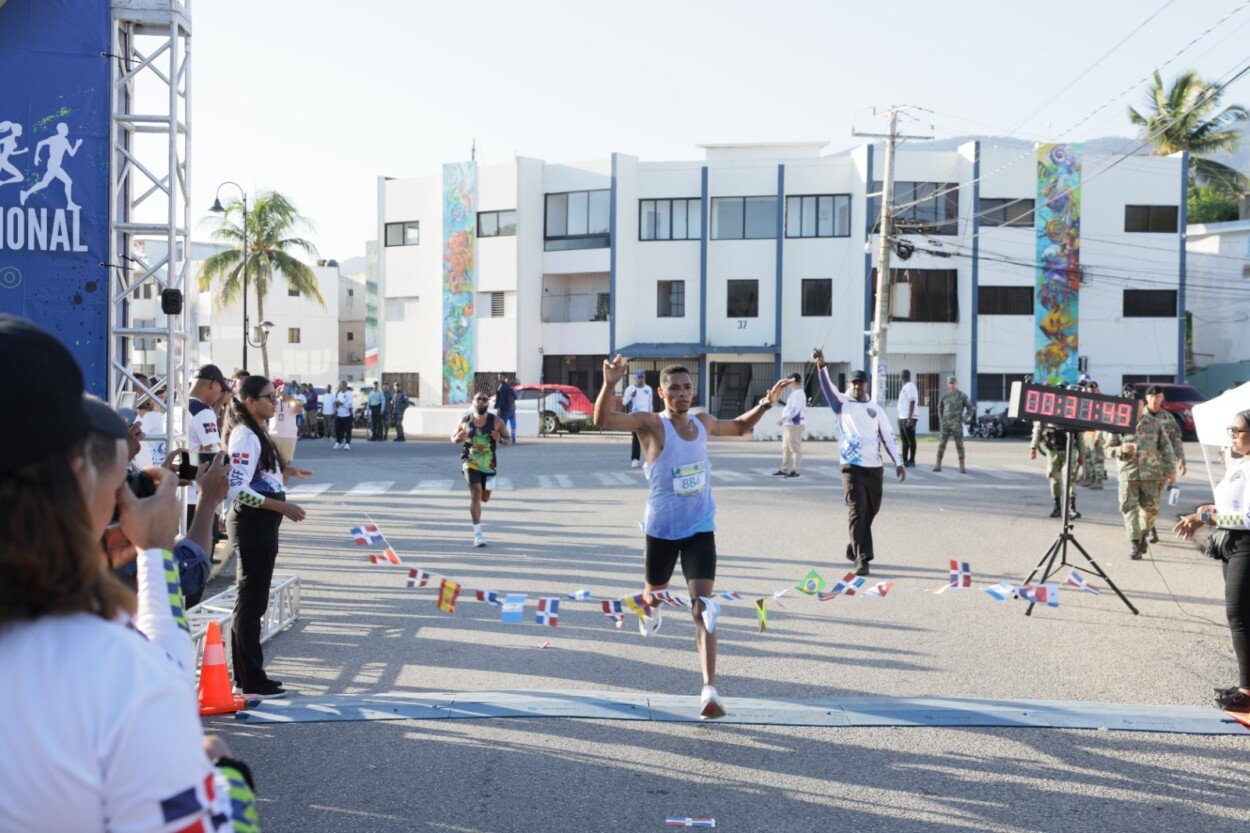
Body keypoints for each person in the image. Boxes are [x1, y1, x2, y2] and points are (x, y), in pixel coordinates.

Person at [0, 315, 257, 831]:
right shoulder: (113, 675)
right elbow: (153, 673)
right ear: (79, 478)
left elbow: (161, 662)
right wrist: (226, 775)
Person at [594, 355, 790, 720]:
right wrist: (609, 383)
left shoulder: (702, 421)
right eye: (674, 389)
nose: (682, 394)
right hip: (661, 531)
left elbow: (739, 428)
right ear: (661, 392)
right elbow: (602, 420)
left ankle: (709, 689)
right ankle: (651, 610)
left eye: (687, 388)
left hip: (700, 527)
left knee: (703, 607)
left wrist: (767, 402)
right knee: (654, 595)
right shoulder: (651, 424)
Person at [225, 375, 312, 698]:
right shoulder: (245, 434)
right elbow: (238, 488)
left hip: (263, 521)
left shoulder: (257, 431)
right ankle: (250, 680)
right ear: (249, 402)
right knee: (250, 602)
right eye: (268, 397)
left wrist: (287, 472)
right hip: (252, 521)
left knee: (255, 600)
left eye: (275, 397)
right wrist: (281, 506)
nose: (275, 403)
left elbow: (258, 475)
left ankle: (248, 676)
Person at [1173, 409, 1250, 712]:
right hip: (1232, 545)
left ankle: (1247, 691)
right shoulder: (1240, 463)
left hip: (1246, 545)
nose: (1231, 435)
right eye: (1230, 429)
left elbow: (1247, 515)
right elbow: (1228, 505)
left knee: (1239, 616)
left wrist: (1206, 516)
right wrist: (1202, 512)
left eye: (1238, 430)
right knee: (1242, 617)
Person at [813, 353, 905, 577]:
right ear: (849, 386)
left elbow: (888, 437)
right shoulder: (842, 404)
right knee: (856, 510)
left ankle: (853, 547)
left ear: (866, 385)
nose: (857, 387)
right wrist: (822, 365)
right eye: (854, 383)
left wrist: (899, 462)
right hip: (850, 467)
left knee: (870, 510)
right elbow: (828, 387)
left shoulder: (876, 410)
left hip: (874, 469)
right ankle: (862, 560)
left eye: (861, 383)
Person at [1105, 386, 1177, 560]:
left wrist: (1171, 470)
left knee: (1151, 512)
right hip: (1128, 475)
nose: (1134, 409)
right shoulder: (1118, 424)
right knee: (1129, 510)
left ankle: (1143, 534)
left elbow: (1167, 448)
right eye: (1131, 405)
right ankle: (1135, 544)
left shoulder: (1153, 424)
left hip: (1151, 475)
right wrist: (1120, 449)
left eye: (1137, 405)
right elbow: (1107, 449)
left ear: (1141, 405)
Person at [452, 391, 511, 547]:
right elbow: (453, 438)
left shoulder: (497, 421)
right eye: (479, 399)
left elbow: (509, 440)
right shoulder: (465, 420)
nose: (482, 402)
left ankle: (478, 526)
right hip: (470, 461)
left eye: (485, 400)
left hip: (489, 464)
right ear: (473, 402)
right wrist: (456, 439)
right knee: (476, 493)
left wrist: (499, 439)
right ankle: (478, 534)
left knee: (484, 497)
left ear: (488, 403)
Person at [186, 363, 230, 535]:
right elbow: (211, 456)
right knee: (201, 553)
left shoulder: (175, 407)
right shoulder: (202, 411)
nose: (220, 396)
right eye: (220, 391)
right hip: (196, 496)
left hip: (175, 491)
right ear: (214, 384)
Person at [1146, 386, 1188, 543]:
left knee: (1154, 499)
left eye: (1157, 396)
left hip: (1162, 467)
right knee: (1144, 499)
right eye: (1151, 396)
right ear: (1146, 398)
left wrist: (1181, 461)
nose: (1154, 399)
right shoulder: (1139, 415)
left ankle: (1150, 528)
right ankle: (1146, 528)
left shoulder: (1168, 418)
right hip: (1140, 467)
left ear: (1162, 398)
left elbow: (1176, 441)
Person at [1031, 421, 1083, 519]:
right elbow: (1038, 430)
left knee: (1069, 477)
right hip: (1052, 451)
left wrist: (1082, 453)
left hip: (1069, 450)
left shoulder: (1072, 410)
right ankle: (1057, 507)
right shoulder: (1046, 412)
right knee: (1054, 479)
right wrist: (1033, 447)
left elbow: (1079, 434)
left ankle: (1071, 507)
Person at [933, 375, 973, 473]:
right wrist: (941, 419)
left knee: (959, 445)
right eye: (950, 383)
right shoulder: (945, 396)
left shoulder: (963, 396)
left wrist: (963, 419)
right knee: (941, 444)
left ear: (957, 384)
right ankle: (938, 465)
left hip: (957, 425)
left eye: (953, 383)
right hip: (945, 425)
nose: (952, 385)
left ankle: (962, 466)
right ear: (948, 384)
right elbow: (940, 408)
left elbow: (970, 409)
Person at [773, 373, 806, 478]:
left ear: (793, 381)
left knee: (795, 448)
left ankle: (796, 471)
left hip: (794, 425)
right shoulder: (796, 393)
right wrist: (781, 403)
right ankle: (784, 469)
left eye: (788, 381)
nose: (787, 383)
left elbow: (794, 410)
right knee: (786, 448)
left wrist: (783, 419)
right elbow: (790, 407)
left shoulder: (798, 394)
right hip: (790, 424)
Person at [622, 369, 654, 468]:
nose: (640, 380)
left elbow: (650, 403)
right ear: (635, 378)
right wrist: (631, 396)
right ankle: (635, 459)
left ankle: (648, 460)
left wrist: (651, 415)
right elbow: (624, 402)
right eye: (639, 378)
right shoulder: (630, 389)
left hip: (646, 416)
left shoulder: (648, 389)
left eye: (642, 377)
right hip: (635, 416)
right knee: (636, 438)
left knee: (647, 438)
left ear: (644, 378)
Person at [271, 378, 302, 462]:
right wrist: (276, 395)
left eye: (287, 390)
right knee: (273, 463)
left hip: (289, 436)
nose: (284, 392)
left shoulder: (294, 402)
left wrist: (292, 399)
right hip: (274, 436)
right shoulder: (274, 401)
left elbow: (299, 411)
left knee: (286, 464)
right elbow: (268, 408)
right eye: (283, 390)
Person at [896, 369, 919, 468]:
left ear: (907, 377)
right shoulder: (905, 387)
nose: (903, 378)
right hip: (902, 417)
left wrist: (910, 417)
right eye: (902, 376)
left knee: (910, 439)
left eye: (904, 376)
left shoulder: (910, 386)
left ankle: (912, 460)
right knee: (904, 440)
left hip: (909, 417)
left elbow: (912, 401)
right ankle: (904, 460)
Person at [495, 374, 518, 444]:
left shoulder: (501, 387)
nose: (498, 378)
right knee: (513, 424)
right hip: (511, 409)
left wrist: (498, 408)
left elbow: (499, 399)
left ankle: (505, 438)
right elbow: (515, 397)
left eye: (500, 377)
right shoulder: (510, 389)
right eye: (498, 377)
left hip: (505, 409)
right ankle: (513, 438)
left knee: (503, 424)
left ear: (503, 378)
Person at [332, 381, 354, 449]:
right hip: (339, 414)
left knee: (348, 430)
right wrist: (335, 406)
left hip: (347, 415)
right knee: (338, 429)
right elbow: (336, 401)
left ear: (344, 386)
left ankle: (347, 443)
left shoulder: (349, 394)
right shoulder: (339, 393)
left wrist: (341, 403)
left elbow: (349, 404)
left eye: (340, 386)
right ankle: (339, 441)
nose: (339, 387)